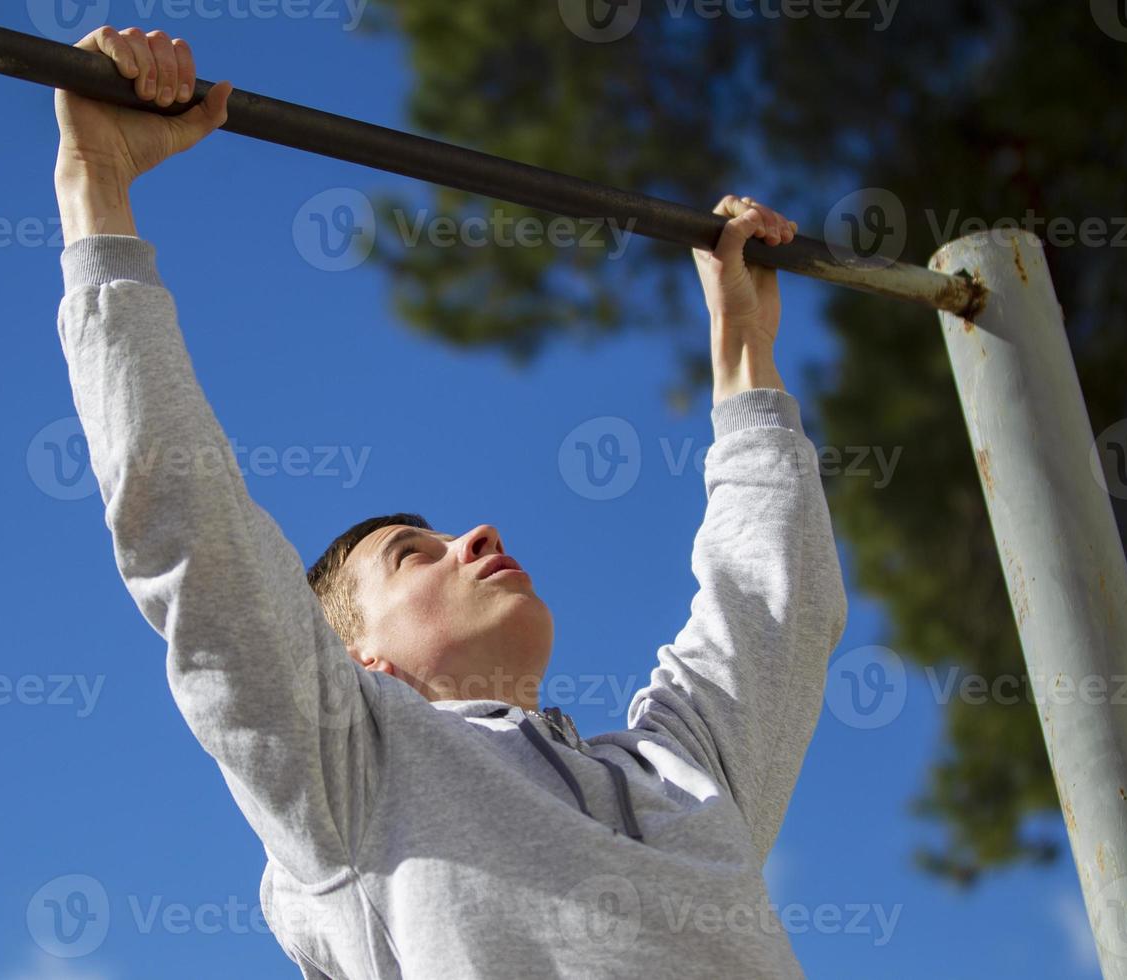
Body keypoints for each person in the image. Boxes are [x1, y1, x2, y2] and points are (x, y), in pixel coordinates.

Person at [52, 24, 848, 979]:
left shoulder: (683, 775)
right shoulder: (350, 776)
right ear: (359, 660)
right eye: (412, 553)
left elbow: (773, 605)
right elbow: (192, 527)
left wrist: (744, 349)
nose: (475, 536)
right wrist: (96, 185)